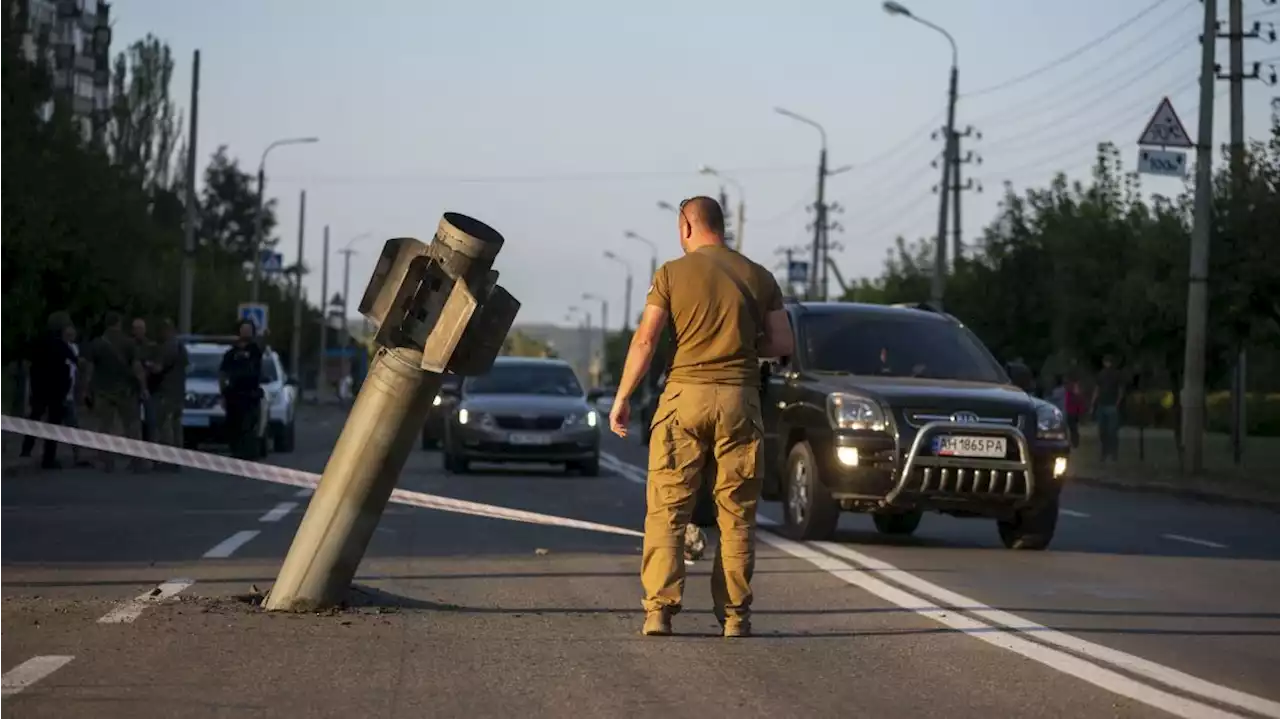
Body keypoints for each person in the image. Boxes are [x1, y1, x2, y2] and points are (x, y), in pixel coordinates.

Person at [608, 196, 794, 639]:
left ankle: (659, 612)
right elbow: (782, 343)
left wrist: (623, 397)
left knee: (668, 510)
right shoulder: (760, 276)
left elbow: (646, 342)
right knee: (737, 515)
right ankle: (735, 618)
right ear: (721, 226)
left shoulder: (671, 273)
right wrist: (743, 347)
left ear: (688, 228)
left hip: (683, 401)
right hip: (739, 401)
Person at [83, 311, 148, 472]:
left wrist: (86, 389)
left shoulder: (97, 343)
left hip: (103, 391)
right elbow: (137, 368)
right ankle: (137, 460)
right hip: (125, 391)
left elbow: (89, 370)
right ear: (118, 323)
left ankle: (106, 460)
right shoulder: (128, 343)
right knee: (132, 425)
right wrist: (143, 388)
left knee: (104, 426)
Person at [19, 311, 77, 469]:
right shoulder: (61, 345)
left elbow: (28, 362)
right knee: (53, 424)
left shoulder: (39, 341)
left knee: (34, 419)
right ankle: (48, 458)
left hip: (39, 388)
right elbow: (74, 360)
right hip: (57, 390)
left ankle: (26, 449)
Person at [220, 319, 264, 459]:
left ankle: (248, 455)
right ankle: (236, 452)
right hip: (233, 396)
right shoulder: (230, 353)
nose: (246, 332)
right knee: (233, 426)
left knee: (248, 426)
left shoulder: (255, 350)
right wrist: (223, 391)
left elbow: (256, 365)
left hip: (250, 395)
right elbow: (223, 373)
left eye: (249, 329)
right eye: (243, 329)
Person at [149, 318, 188, 468]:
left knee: (166, 424)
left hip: (166, 391)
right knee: (177, 425)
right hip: (178, 391)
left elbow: (158, 368)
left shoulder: (168, 347)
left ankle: (168, 459)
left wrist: (149, 365)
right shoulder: (180, 347)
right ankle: (178, 458)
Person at [1092, 354, 1124, 461]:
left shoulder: (1116, 374)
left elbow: (1120, 390)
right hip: (1103, 404)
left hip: (1110, 405)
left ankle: (1112, 453)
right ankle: (1106, 453)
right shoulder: (1101, 374)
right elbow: (1097, 389)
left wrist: (1117, 403)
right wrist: (1094, 402)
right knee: (1104, 431)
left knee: (1111, 431)